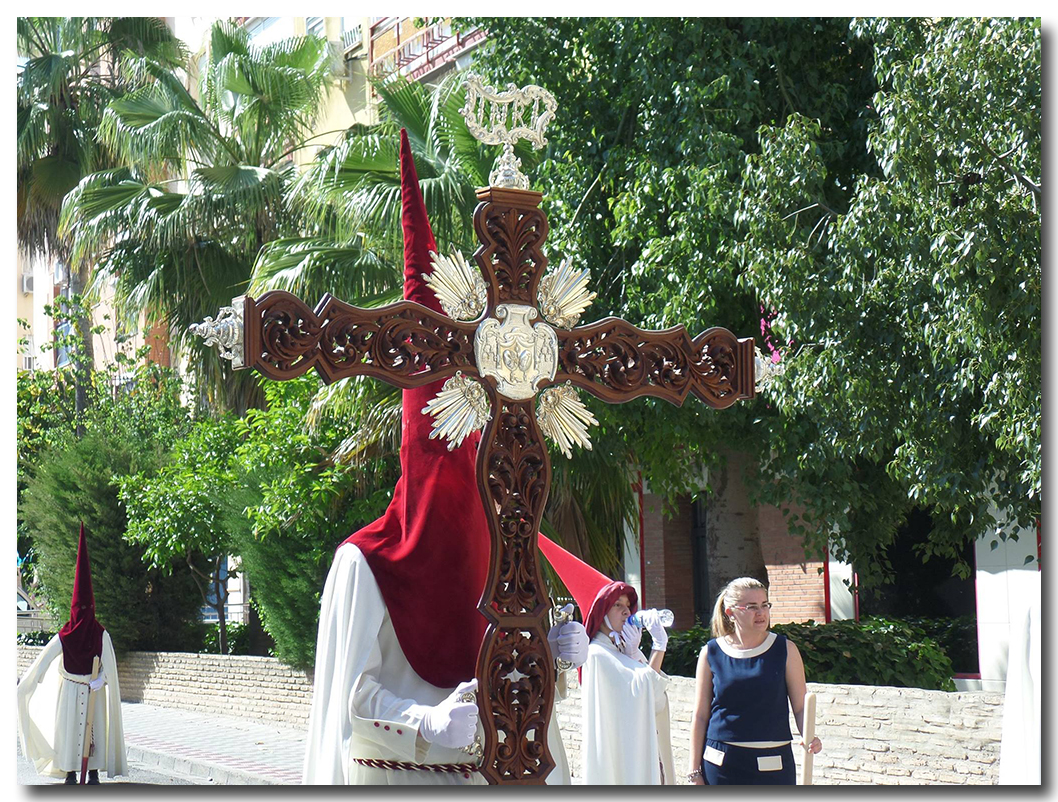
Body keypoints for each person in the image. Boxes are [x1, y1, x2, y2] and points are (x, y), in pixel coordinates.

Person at [301, 129, 588, 785]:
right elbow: (349, 697)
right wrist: (421, 720)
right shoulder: (362, 565)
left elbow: (516, 678)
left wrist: (554, 654)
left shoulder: (504, 546)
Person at [538, 536, 675, 784]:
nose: (627, 611)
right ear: (601, 612)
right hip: (623, 765)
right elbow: (645, 691)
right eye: (617, 605)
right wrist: (658, 647)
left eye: (628, 605)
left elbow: (655, 701)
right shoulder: (597, 654)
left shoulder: (620, 650)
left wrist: (634, 654)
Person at [17, 524, 127, 784]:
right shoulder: (65, 635)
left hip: (92, 689)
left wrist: (102, 680)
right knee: (67, 732)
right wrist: (27, 683)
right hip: (70, 690)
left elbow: (110, 668)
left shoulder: (101, 635)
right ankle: (69, 771)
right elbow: (43, 661)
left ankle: (93, 771)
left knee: (94, 730)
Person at [688, 577, 822, 785]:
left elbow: (800, 707)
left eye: (764, 605)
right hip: (720, 763)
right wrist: (694, 771)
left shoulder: (785, 649)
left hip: (773, 763)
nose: (761, 613)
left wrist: (809, 734)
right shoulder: (711, 652)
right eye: (751, 607)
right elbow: (700, 715)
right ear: (730, 612)